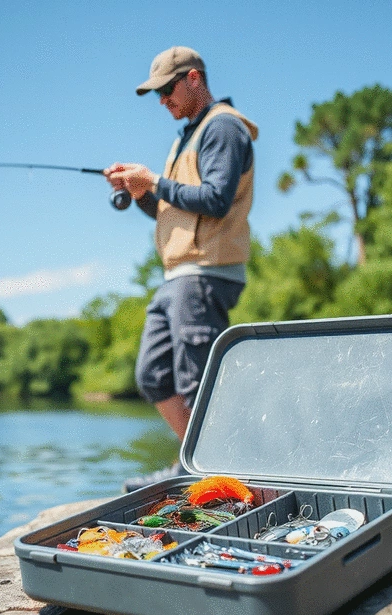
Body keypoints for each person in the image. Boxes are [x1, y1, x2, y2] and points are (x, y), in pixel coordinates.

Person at [105, 46, 258, 492]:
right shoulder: (186, 136)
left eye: (167, 90)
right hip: (178, 276)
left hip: (206, 274)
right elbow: (172, 210)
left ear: (193, 79)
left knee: (196, 382)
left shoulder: (224, 128)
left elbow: (214, 199)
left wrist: (154, 179)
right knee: (153, 375)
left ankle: (218, 478)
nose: (162, 101)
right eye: (157, 94)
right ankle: (194, 463)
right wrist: (141, 193)